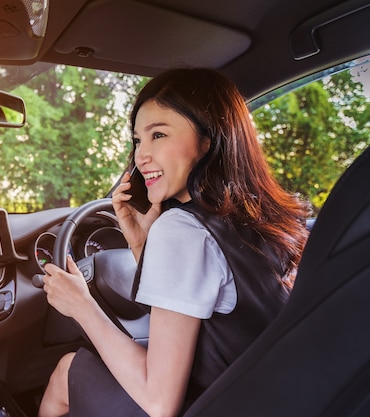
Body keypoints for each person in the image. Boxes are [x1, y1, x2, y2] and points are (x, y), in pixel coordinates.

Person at [37, 68, 310, 417]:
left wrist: (81, 306)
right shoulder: (252, 218)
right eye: (138, 140)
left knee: (66, 371)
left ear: (208, 141)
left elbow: (160, 403)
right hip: (264, 397)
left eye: (159, 135)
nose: (141, 156)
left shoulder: (181, 229)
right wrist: (142, 245)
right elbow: (204, 306)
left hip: (215, 403)